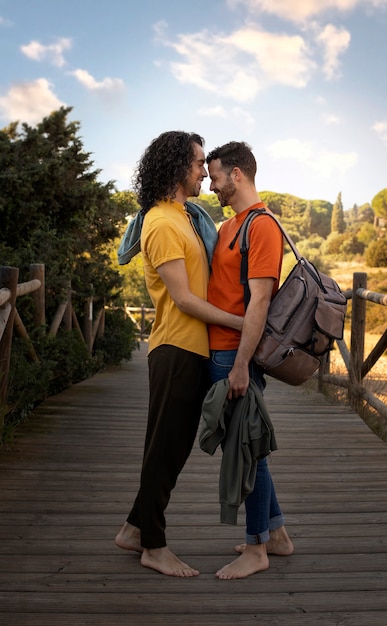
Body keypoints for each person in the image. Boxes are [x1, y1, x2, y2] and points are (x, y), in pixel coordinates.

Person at [115, 131, 243, 578]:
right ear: (175, 166)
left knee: (171, 447)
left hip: (192, 348)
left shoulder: (185, 217)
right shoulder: (162, 222)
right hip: (175, 347)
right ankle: (153, 545)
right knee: (165, 449)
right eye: (197, 162)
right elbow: (185, 299)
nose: (204, 170)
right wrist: (241, 324)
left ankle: (135, 528)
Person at [205, 141, 294, 580]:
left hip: (234, 354)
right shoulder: (228, 226)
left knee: (247, 450)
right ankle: (276, 535)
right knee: (248, 443)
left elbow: (259, 302)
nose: (211, 184)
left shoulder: (260, 226)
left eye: (216, 176)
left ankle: (256, 548)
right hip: (220, 350)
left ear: (237, 174)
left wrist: (241, 365)